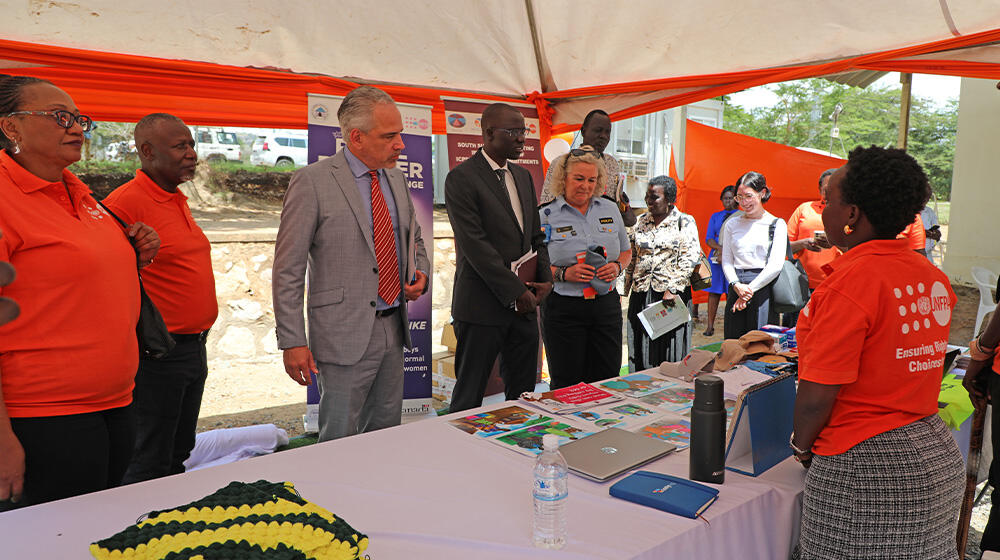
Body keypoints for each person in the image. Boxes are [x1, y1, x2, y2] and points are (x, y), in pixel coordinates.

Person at [792, 146, 962, 559]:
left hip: (865, 470)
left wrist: (800, 447)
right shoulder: (931, 277)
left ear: (851, 215)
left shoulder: (850, 285)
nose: (823, 210)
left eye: (829, 201)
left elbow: (817, 395)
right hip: (934, 450)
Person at [0, 75, 160, 508]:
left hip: (116, 402)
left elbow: (74, 272)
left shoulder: (81, 192)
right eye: (59, 117)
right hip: (42, 417)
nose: (77, 128)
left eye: (79, 118)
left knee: (102, 526)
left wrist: (133, 250)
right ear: (10, 127)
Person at [273, 85, 429, 442]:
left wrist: (420, 271)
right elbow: (288, 268)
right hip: (343, 333)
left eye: (400, 134)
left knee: (386, 434)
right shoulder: (312, 182)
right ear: (355, 137)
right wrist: (292, 341)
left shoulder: (395, 177)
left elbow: (414, 238)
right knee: (339, 437)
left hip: (393, 327)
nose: (401, 144)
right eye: (389, 136)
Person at [102, 113, 218, 483]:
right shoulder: (124, 203)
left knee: (179, 451)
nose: (191, 153)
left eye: (192, 144)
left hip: (192, 348)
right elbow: (105, 277)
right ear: (147, 152)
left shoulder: (173, 198)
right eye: (180, 146)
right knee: (149, 458)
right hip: (158, 354)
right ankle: (139, 532)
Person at [445, 103, 551, 412]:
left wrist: (545, 279)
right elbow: (475, 246)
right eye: (514, 132)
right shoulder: (461, 178)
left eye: (524, 131)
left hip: (524, 308)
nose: (522, 139)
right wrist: (516, 292)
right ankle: (461, 456)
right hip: (481, 307)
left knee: (523, 397)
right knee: (469, 396)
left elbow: (535, 236)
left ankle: (518, 450)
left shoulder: (522, 176)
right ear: (489, 133)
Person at [539, 146, 631, 388]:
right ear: (563, 178)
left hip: (606, 307)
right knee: (567, 382)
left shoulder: (610, 209)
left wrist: (617, 268)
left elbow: (626, 251)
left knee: (608, 378)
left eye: (592, 180)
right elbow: (535, 265)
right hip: (564, 309)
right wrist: (562, 273)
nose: (586, 186)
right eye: (579, 178)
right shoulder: (546, 215)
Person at [624, 176, 700, 370]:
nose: (649, 201)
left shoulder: (684, 222)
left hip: (670, 297)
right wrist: (623, 290)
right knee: (641, 348)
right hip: (641, 294)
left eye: (655, 197)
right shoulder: (640, 222)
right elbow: (631, 256)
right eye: (647, 196)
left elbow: (690, 256)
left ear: (669, 199)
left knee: (669, 350)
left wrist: (673, 289)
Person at [539, 109, 636, 227]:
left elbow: (618, 204)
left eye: (607, 132)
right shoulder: (562, 163)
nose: (603, 136)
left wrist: (625, 209)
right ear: (583, 131)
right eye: (598, 131)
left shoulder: (612, 163)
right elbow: (546, 207)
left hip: (605, 233)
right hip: (571, 233)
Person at [721, 171, 786, 339]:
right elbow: (727, 260)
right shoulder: (732, 224)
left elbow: (775, 265)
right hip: (736, 285)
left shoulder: (776, 224)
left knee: (760, 342)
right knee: (733, 342)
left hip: (762, 286)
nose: (744, 202)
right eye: (739, 197)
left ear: (762, 193)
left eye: (748, 196)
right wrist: (736, 285)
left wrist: (750, 290)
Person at [787, 169, 840, 290]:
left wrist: (834, 242)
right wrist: (803, 243)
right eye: (827, 188)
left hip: (837, 282)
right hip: (802, 283)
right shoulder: (804, 209)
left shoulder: (850, 212)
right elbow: (783, 247)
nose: (831, 192)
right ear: (820, 189)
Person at [702, 185, 739, 336]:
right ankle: (710, 326)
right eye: (725, 198)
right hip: (716, 257)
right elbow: (708, 238)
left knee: (732, 292)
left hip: (734, 258)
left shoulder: (741, 215)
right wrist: (720, 248)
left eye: (730, 198)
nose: (728, 201)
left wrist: (728, 250)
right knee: (714, 292)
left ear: (736, 199)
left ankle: (731, 326)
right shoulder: (715, 216)